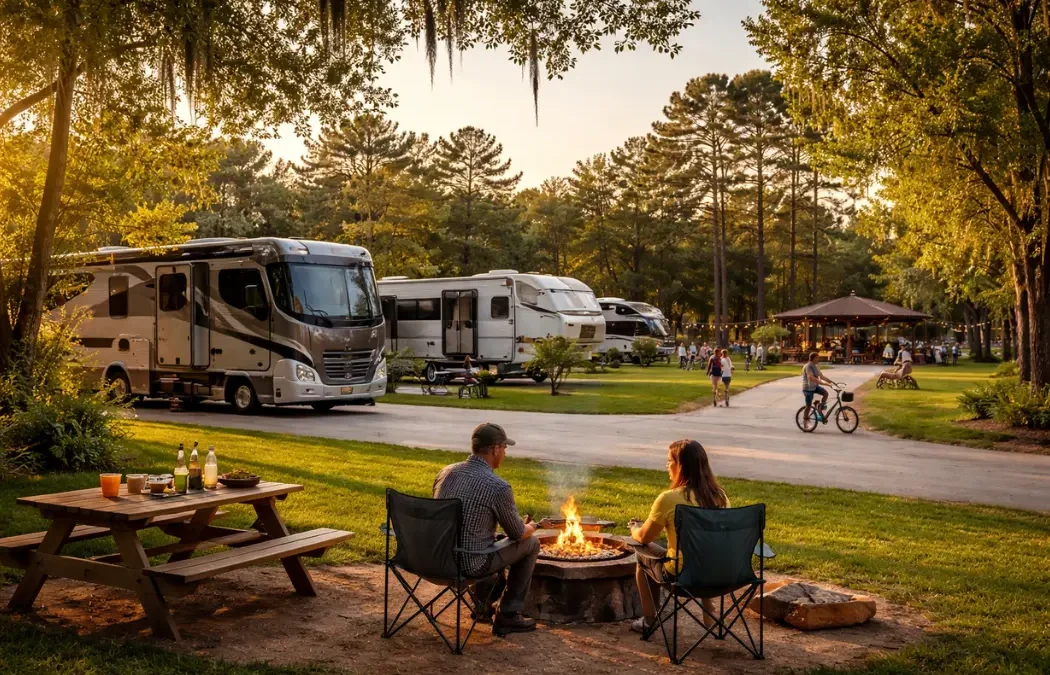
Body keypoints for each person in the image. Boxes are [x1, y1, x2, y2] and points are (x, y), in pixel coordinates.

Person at [433, 423, 551, 634]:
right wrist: (533, 526)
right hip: (469, 565)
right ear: (496, 449)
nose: (505, 454)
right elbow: (518, 534)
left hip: (434, 561)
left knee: (491, 538)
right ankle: (508, 615)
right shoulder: (497, 486)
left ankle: (482, 606)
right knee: (531, 544)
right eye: (505, 449)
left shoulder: (446, 473)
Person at [628, 439, 729, 634]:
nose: (667, 466)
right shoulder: (720, 496)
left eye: (669, 461)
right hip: (721, 574)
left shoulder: (669, 498)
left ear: (680, 466)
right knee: (700, 552)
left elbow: (644, 537)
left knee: (642, 554)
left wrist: (635, 527)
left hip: (683, 577)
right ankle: (709, 610)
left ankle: (648, 621)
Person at [802, 352, 836, 420]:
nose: (818, 359)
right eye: (817, 358)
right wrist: (826, 384)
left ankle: (820, 410)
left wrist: (832, 382)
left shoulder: (815, 366)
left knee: (825, 393)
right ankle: (805, 419)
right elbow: (811, 378)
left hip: (814, 387)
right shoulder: (808, 366)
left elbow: (822, 376)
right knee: (808, 406)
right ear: (813, 358)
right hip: (808, 388)